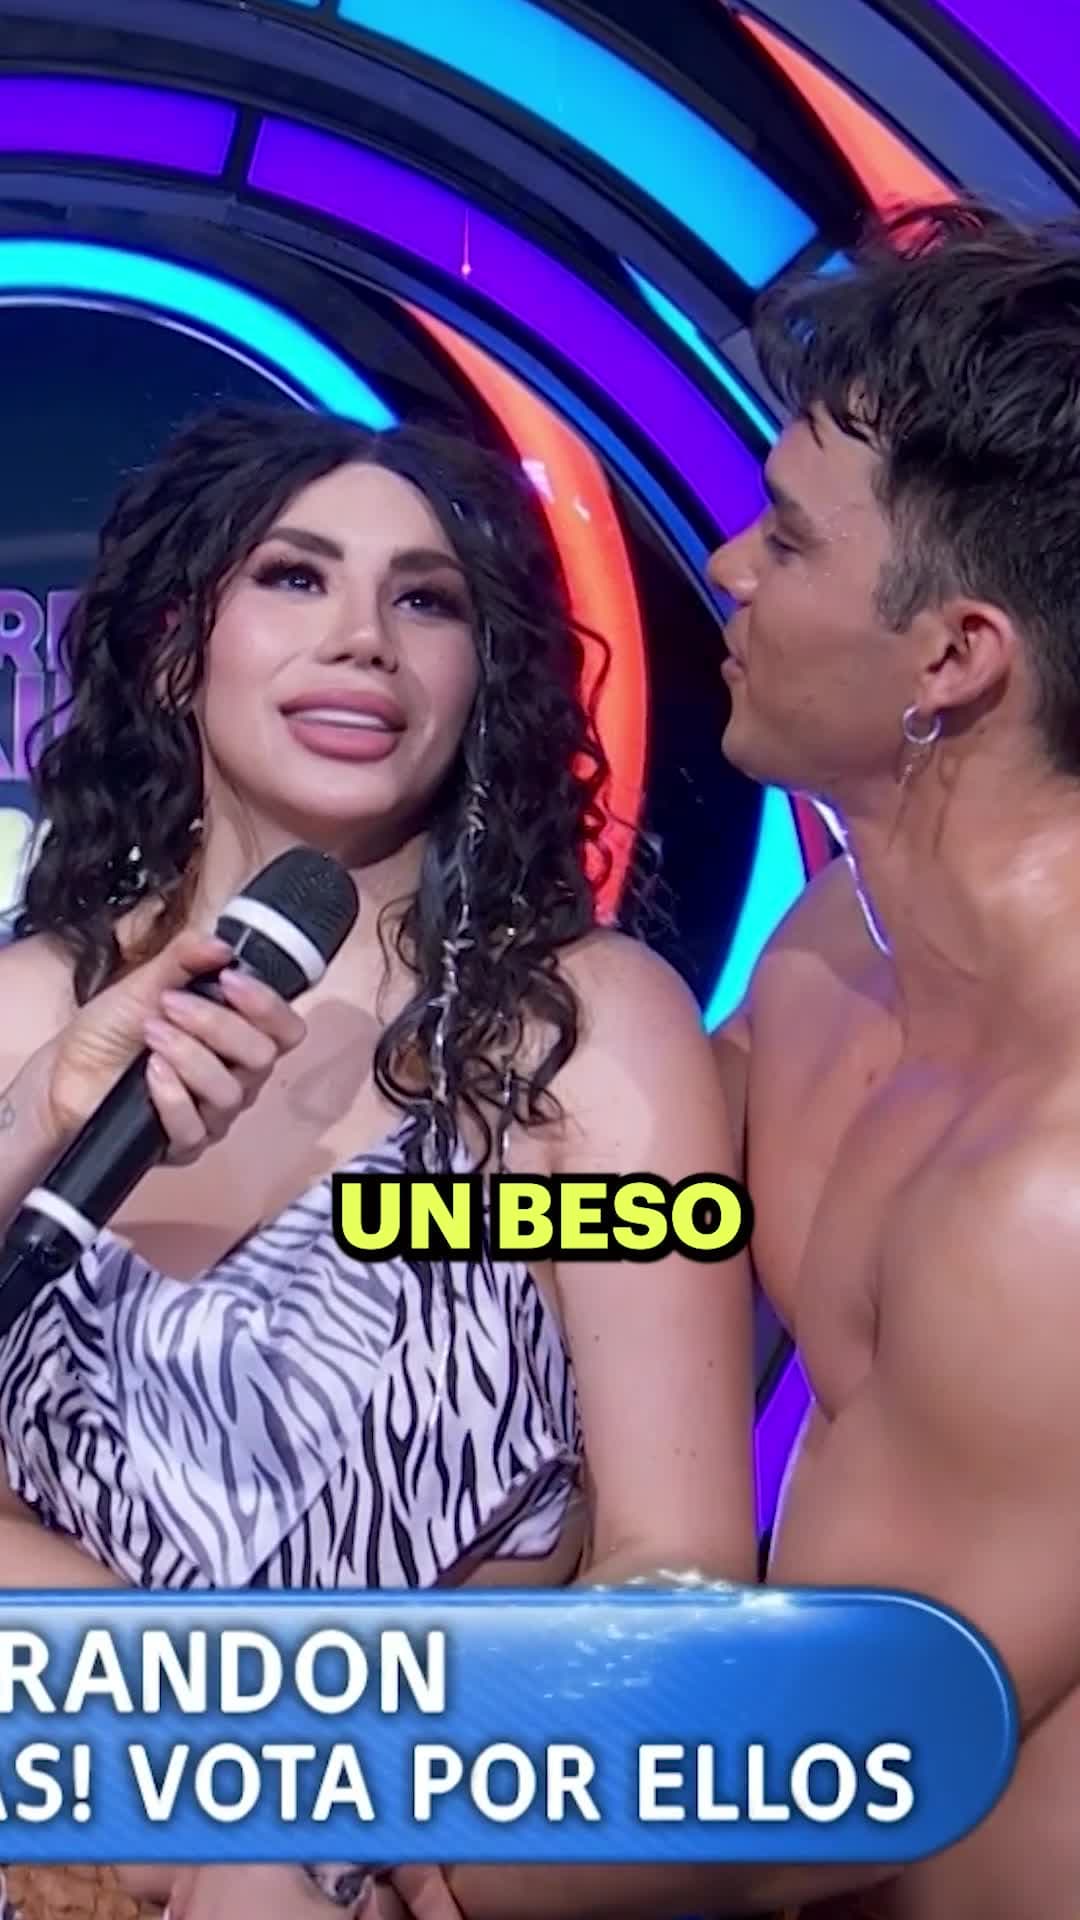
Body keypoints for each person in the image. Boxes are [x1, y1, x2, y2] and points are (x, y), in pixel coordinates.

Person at [297, 199, 1080, 1920]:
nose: (723, 565)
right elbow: (632, 1229)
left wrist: (335, 1828)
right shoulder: (831, 957)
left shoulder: (1054, 1199)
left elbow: (838, 1759)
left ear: (955, 658)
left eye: (786, 540)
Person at [0, 403, 755, 1920]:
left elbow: (673, 1567)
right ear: (174, 650)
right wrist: (38, 1122)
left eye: (427, 601)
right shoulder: (28, 1008)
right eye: (295, 578)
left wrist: (405, 1829)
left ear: (482, 680)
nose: (364, 640)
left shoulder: (585, 1034)